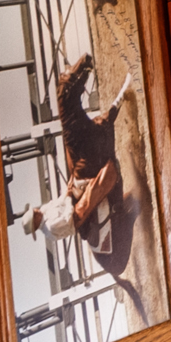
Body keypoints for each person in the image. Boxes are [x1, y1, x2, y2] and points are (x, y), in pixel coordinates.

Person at [21, 52, 135, 264]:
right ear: (36, 224)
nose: (35, 210)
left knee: (87, 137)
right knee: (97, 179)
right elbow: (73, 217)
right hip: (80, 211)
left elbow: (62, 199)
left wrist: (69, 186)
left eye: (33, 211)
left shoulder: (45, 211)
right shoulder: (50, 228)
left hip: (73, 197)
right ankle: (112, 184)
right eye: (33, 214)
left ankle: (117, 99)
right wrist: (82, 191)